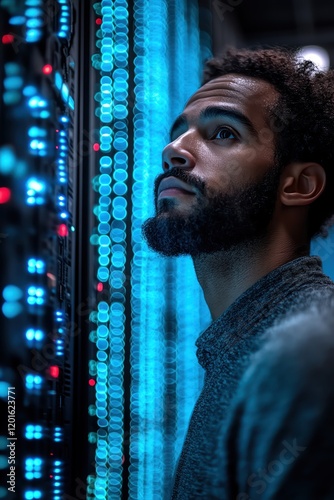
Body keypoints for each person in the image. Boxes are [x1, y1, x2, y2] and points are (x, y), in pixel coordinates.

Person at [142, 47, 334, 499]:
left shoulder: (306, 348)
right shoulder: (248, 343)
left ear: (298, 185)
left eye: (223, 133)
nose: (174, 151)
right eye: (179, 133)